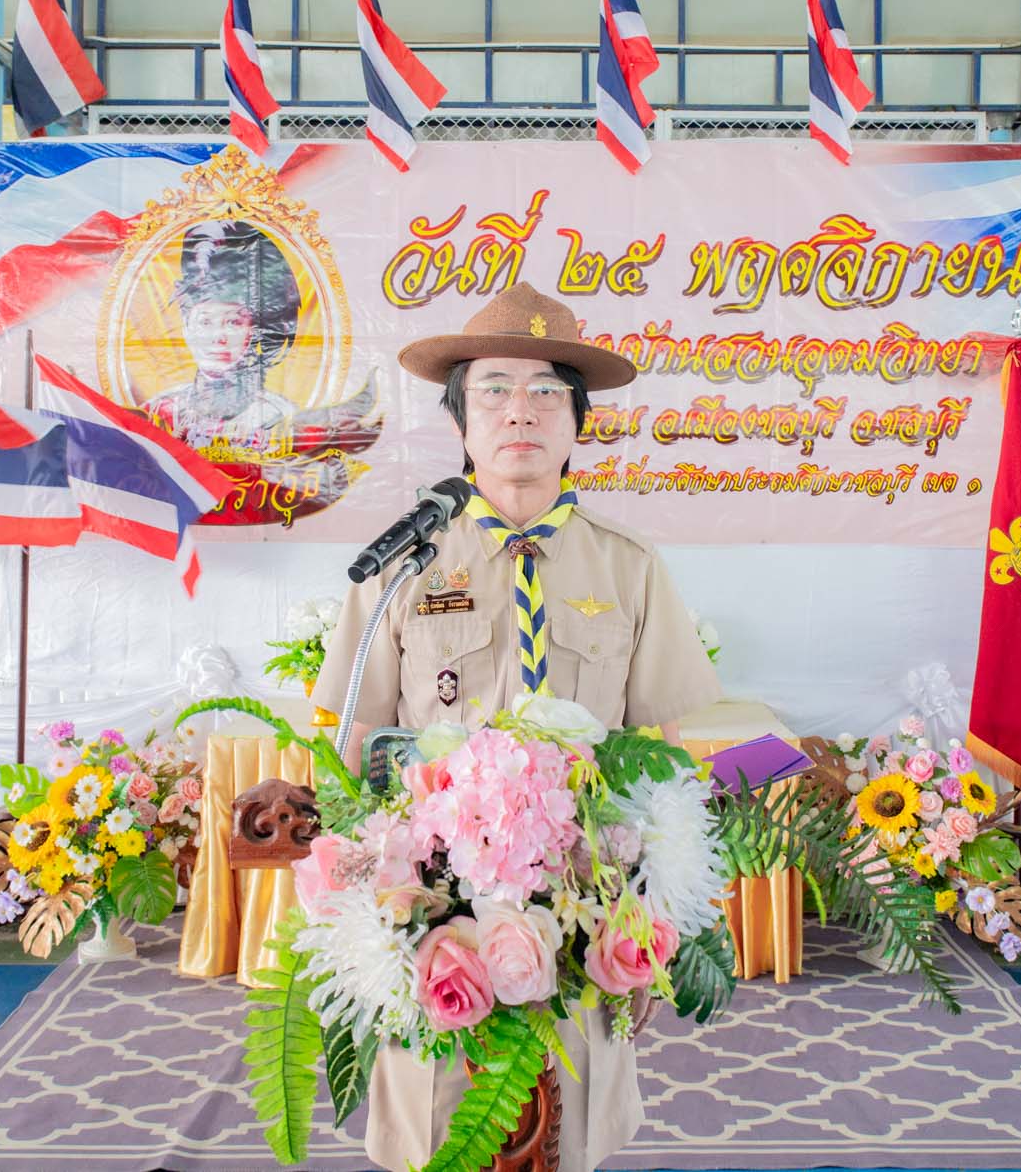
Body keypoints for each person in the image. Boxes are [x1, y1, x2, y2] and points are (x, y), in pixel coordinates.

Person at [310, 281, 723, 1172]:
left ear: (578, 420)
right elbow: (352, 751)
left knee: (569, 1132)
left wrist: (653, 918)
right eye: (493, 389)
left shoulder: (630, 568)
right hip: (437, 917)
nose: (520, 411)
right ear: (461, 419)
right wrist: (363, 909)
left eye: (546, 391)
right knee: (439, 1128)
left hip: (580, 912)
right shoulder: (403, 565)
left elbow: (662, 763)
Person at [145, 219, 302, 451]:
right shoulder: (159, 411)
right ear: (186, 327)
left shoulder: (280, 417)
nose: (218, 338)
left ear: (254, 330)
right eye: (205, 322)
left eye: (233, 322)